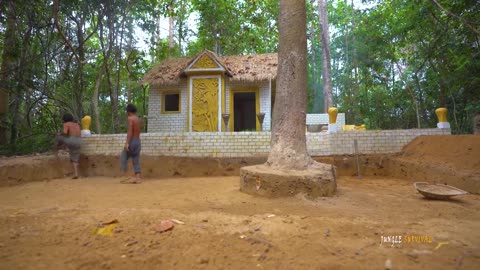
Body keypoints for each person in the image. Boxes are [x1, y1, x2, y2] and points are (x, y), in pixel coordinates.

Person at [120, 104, 142, 184]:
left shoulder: (130, 119)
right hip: (138, 141)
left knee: (123, 156)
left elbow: (130, 132)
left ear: (128, 111)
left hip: (132, 141)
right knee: (136, 159)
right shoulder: (138, 119)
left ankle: (126, 175)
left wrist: (127, 143)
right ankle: (138, 177)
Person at [56, 113, 82, 179]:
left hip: (71, 141)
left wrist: (60, 133)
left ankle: (57, 148)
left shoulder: (66, 124)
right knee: (74, 158)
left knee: (59, 137)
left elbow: (64, 133)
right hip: (79, 141)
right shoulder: (77, 124)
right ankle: (76, 173)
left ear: (64, 119)